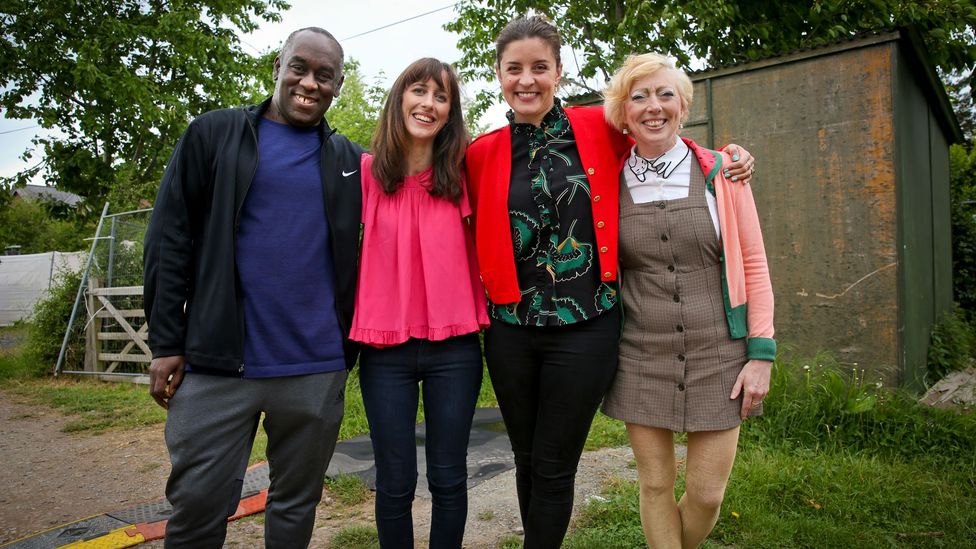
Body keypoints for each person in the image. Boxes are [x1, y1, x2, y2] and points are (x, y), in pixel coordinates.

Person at [463, 16, 756, 549]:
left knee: (554, 465)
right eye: (514, 69)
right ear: (499, 75)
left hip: (586, 328)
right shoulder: (481, 153)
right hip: (511, 329)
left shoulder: (599, 128)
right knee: (525, 459)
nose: (526, 80)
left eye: (540, 67)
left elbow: (661, 136)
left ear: (557, 71)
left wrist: (727, 158)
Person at [142, 27, 363, 548]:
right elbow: (170, 238)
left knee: (294, 507)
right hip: (217, 365)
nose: (309, 82)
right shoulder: (215, 134)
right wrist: (167, 342)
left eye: (324, 75)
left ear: (338, 85)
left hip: (315, 367)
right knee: (198, 507)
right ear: (277, 69)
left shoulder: (351, 161)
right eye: (299, 68)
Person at [600, 52, 775, 548]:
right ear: (623, 113)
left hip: (719, 354)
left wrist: (760, 354)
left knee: (706, 495)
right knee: (654, 484)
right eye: (638, 97)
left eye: (664, 94)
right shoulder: (606, 183)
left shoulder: (722, 172)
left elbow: (756, 263)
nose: (652, 107)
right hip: (640, 354)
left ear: (683, 105)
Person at [350, 58, 488, 549]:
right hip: (384, 352)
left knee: (449, 478)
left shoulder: (465, 173)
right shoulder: (364, 174)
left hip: (456, 348)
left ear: (450, 113)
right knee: (394, 482)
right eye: (419, 91)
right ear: (400, 99)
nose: (428, 103)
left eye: (441, 96)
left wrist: (712, 157)